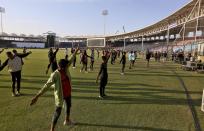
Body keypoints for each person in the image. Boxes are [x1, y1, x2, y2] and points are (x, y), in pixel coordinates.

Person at [30, 48, 79, 131]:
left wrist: (76, 51)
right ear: (61, 67)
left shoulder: (66, 68)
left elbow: (70, 59)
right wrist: (37, 96)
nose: (67, 67)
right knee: (57, 112)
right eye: (65, 67)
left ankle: (67, 120)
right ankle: (52, 129)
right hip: (60, 95)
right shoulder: (55, 75)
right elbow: (47, 85)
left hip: (68, 93)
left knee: (68, 106)